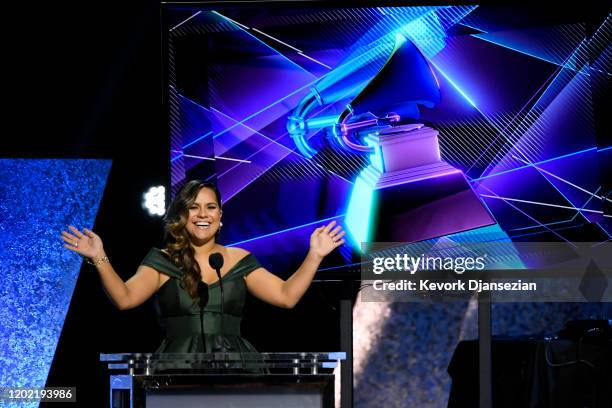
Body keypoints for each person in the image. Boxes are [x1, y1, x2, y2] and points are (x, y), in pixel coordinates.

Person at [61, 180, 345, 354]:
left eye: (210, 207)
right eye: (193, 207)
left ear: (220, 215)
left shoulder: (238, 260)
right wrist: (99, 256)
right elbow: (124, 299)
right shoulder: (162, 261)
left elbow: (286, 296)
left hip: (235, 368)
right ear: (182, 216)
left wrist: (315, 256)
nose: (202, 215)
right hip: (176, 367)